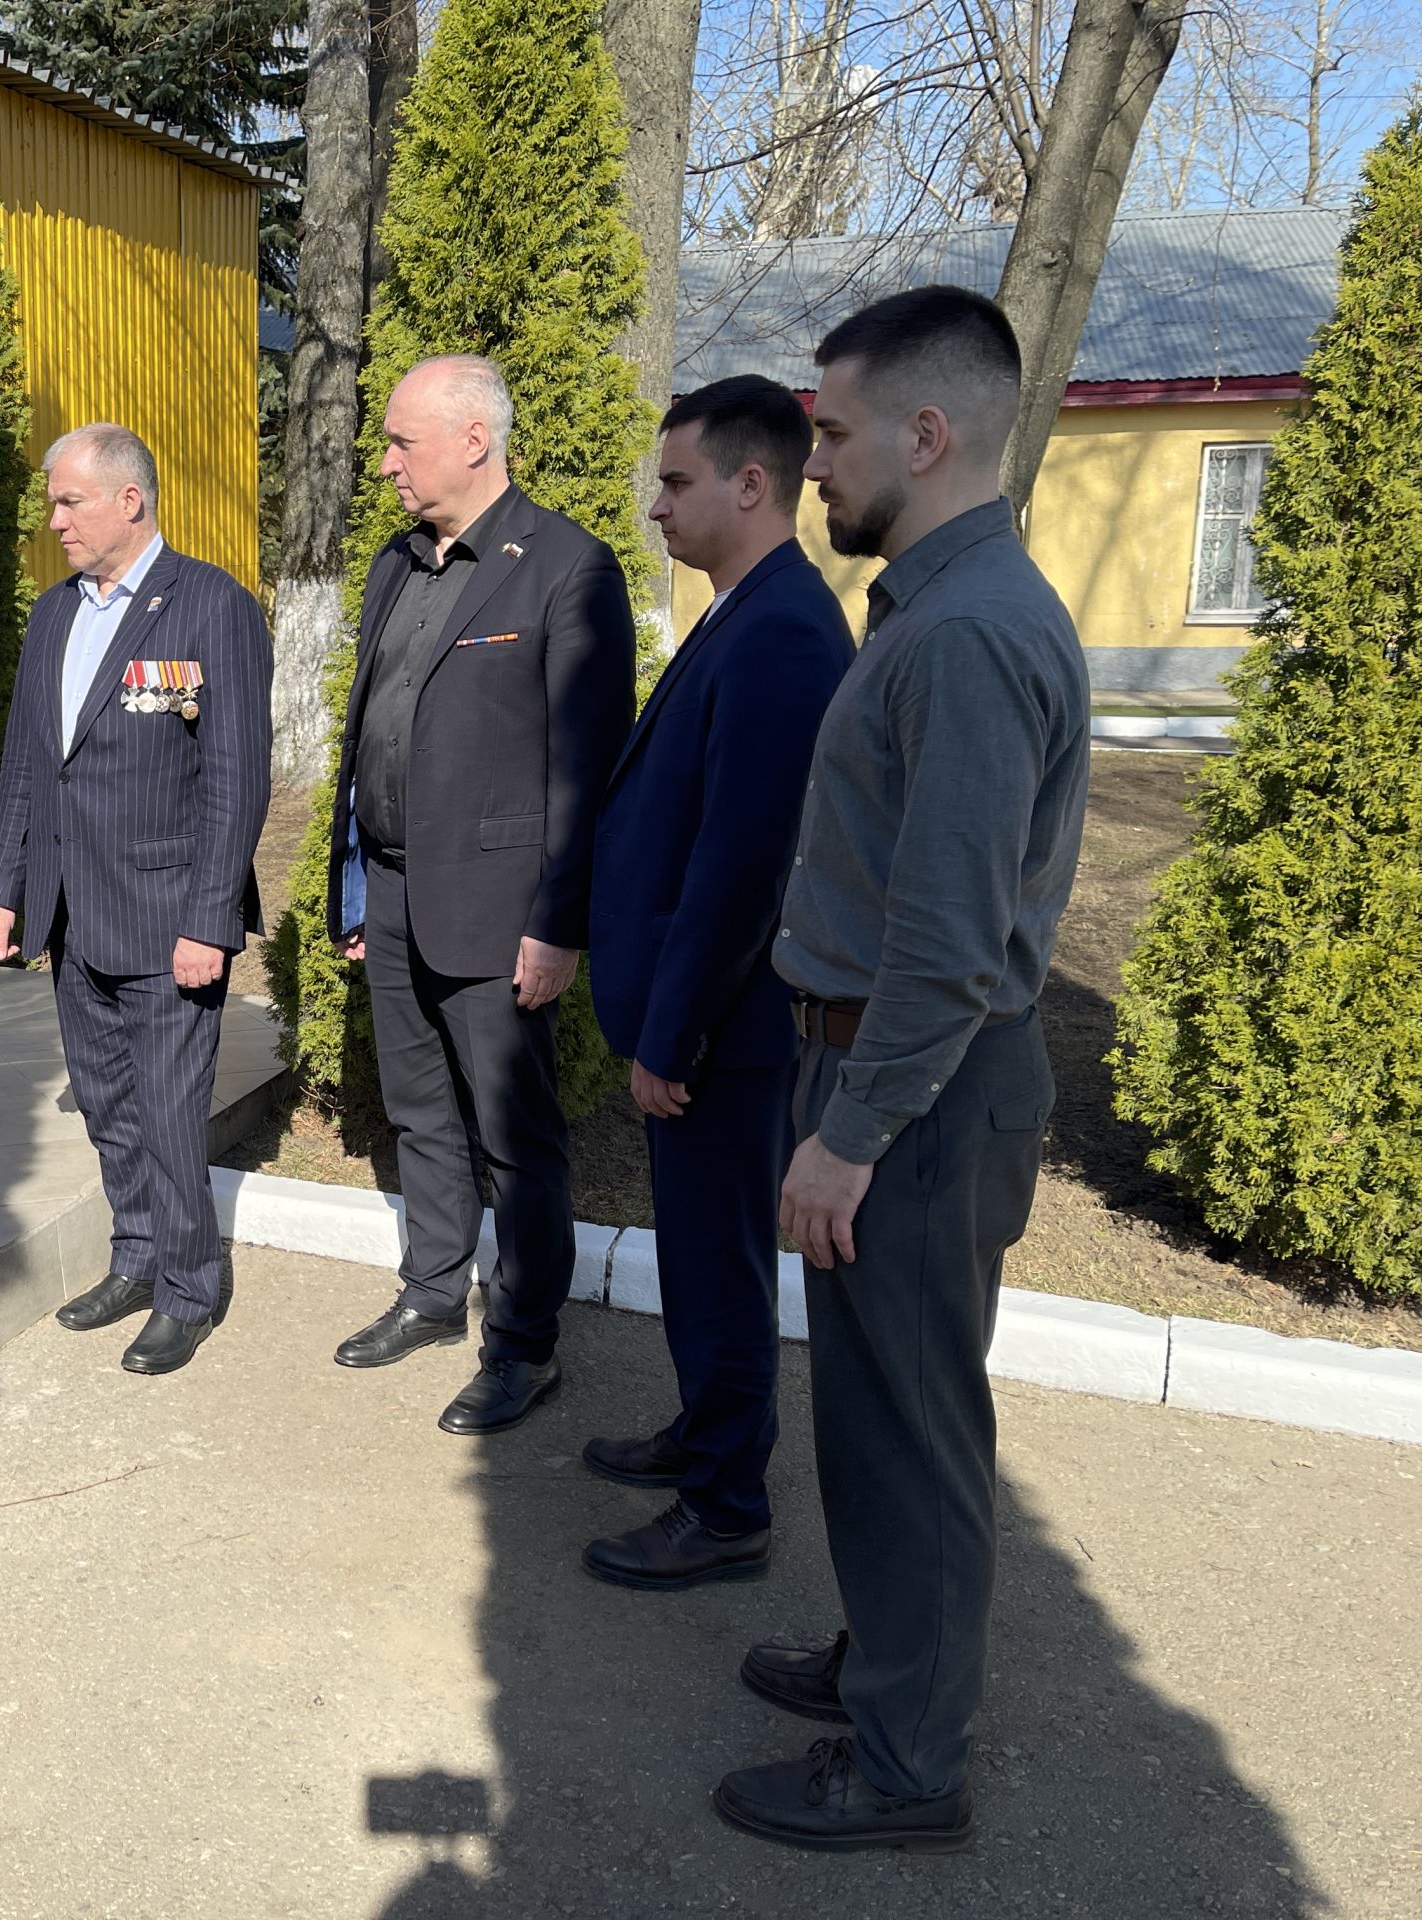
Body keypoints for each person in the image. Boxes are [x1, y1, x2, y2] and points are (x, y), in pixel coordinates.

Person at [714, 287, 1088, 1852]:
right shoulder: (935, 610)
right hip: (890, 1081)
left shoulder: (974, 633)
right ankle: (889, 1661)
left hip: (913, 1096)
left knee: (913, 1435)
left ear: (927, 436)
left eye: (833, 433)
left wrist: (851, 1131)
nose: (813, 463)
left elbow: (946, 940)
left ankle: (908, 1764)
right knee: (873, 1418)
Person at [322, 355, 635, 1433]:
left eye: (401, 442)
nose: (386, 463)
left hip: (499, 910)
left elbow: (587, 769)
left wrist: (558, 922)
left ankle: (525, 1344)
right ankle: (429, 1293)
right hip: (392, 891)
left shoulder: (566, 566)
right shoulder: (395, 564)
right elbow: (367, 735)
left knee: (516, 1137)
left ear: (473, 439)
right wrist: (356, 887)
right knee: (417, 1111)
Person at [581, 376, 854, 1590]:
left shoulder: (783, 627)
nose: (657, 506)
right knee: (699, 1258)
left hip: (724, 1037)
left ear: (751, 485)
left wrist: (673, 1034)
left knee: (721, 1266)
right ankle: (706, 1434)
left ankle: (727, 1505)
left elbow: (742, 864)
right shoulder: (748, 609)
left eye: (677, 482)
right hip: (707, 1026)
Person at [0, 423, 271, 1376]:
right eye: (53, 503)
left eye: (70, 502)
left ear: (129, 501)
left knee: (171, 1112)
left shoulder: (211, 606)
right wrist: (2, 890)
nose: (54, 520)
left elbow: (235, 778)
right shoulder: (53, 615)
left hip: (168, 914)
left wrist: (210, 919)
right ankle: (137, 1255)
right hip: (73, 912)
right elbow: (29, 766)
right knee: (107, 1103)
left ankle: (189, 1287)